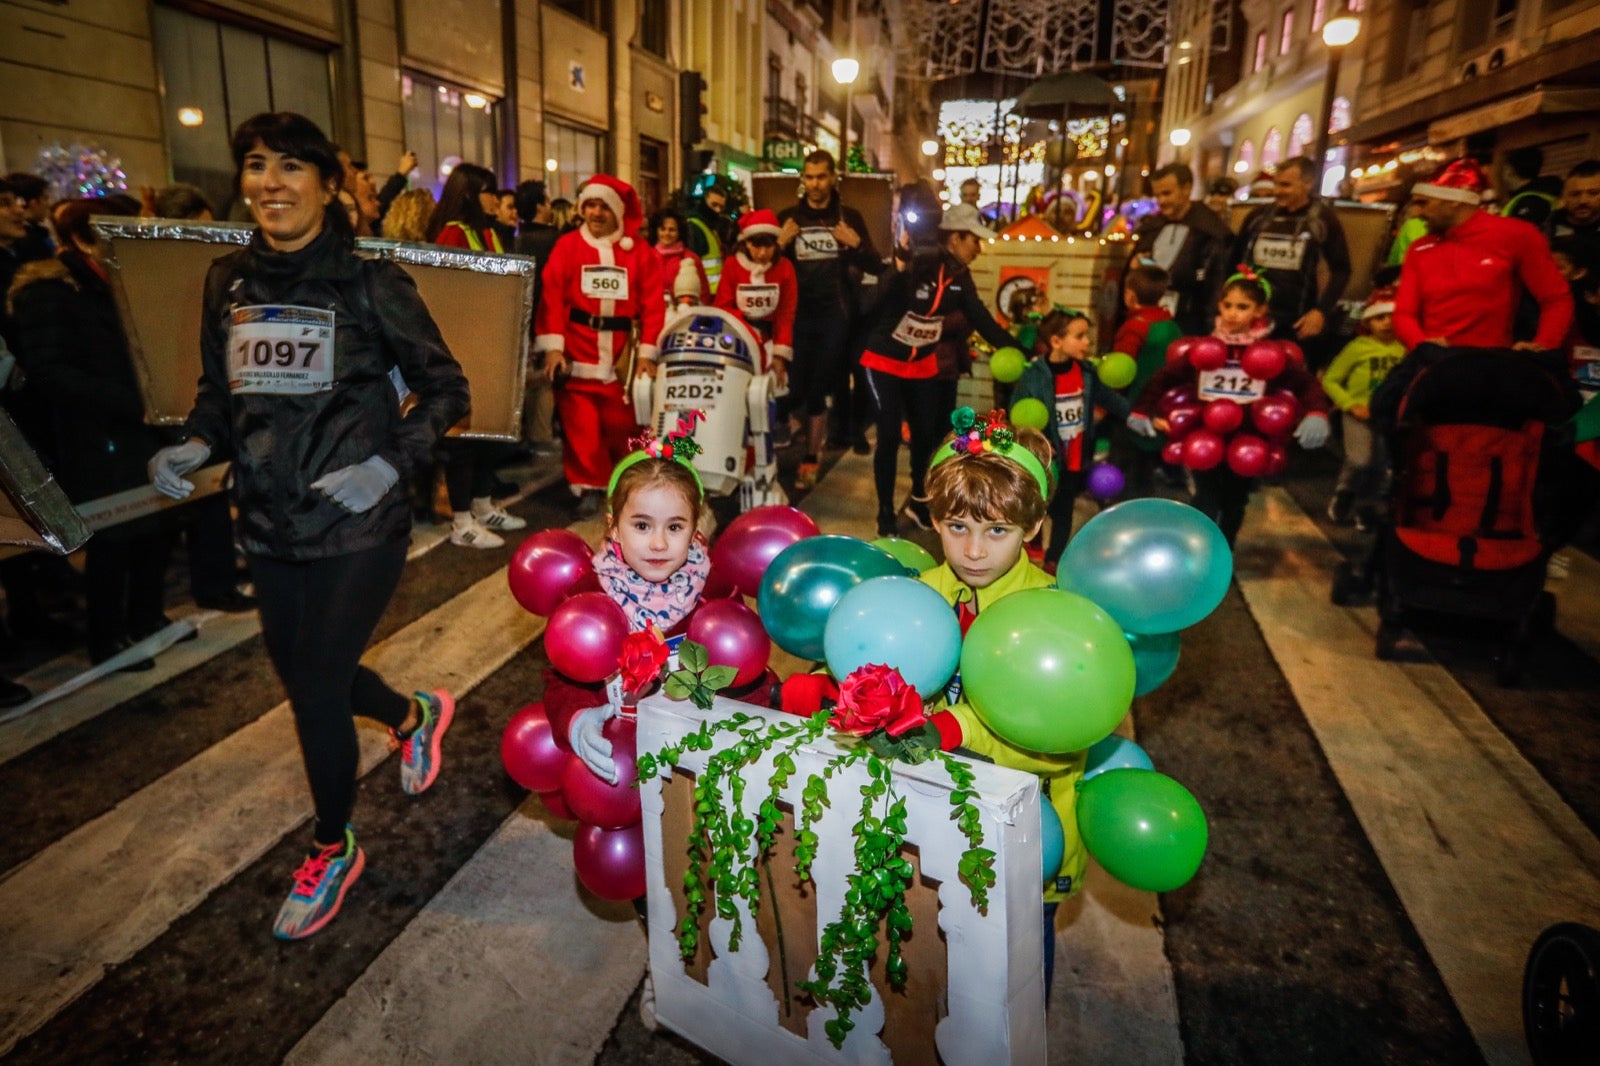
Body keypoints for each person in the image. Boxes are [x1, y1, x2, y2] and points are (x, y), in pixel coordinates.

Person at [145, 112, 470, 940]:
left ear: (330, 185)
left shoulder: (371, 283)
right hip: (266, 520)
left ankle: (333, 846)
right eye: (256, 166)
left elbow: (446, 391)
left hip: (359, 522)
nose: (271, 185)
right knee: (309, 680)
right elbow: (220, 394)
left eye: (292, 168)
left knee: (316, 691)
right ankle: (411, 717)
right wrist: (193, 442)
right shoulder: (229, 280)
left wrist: (387, 466)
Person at [917, 415, 1085, 995]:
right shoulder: (918, 594)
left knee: (1019, 965)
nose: (973, 550)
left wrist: (953, 727)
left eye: (997, 531)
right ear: (933, 518)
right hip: (935, 818)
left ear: (1034, 526)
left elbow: (1058, 744)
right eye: (957, 525)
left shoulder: (1054, 613)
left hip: (1027, 829)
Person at [10, 196, 173, 669]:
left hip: (141, 428)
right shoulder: (50, 291)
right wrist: (130, 403)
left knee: (151, 530)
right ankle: (109, 636)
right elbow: (52, 372)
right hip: (94, 433)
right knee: (113, 537)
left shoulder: (121, 283)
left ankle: (148, 618)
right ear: (87, 235)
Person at [1134, 268, 1331, 545]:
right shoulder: (1206, 348)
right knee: (1205, 498)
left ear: (1260, 310)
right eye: (1227, 305)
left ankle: (1225, 550)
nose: (1232, 313)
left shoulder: (1268, 353)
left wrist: (1317, 412)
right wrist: (1143, 408)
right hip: (1206, 437)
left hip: (1249, 440)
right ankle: (1201, 550)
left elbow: (1305, 383)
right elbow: (1165, 377)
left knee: (1234, 502)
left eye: (1243, 307)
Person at [856, 202, 1017, 536]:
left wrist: (1022, 349)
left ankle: (919, 500)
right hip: (883, 359)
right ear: (955, 238)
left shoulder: (962, 277)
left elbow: (981, 318)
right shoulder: (920, 262)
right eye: (975, 240)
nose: (979, 248)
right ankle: (885, 513)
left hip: (921, 364)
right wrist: (898, 269)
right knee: (887, 434)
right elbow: (873, 301)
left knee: (927, 436)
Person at [535, 174, 665, 516]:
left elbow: (654, 306)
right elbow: (551, 299)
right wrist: (553, 347)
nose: (595, 213)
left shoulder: (642, 253)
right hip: (578, 354)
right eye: (590, 205)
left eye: (603, 206)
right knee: (582, 431)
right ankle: (590, 486)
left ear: (618, 211)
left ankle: (628, 485)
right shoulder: (567, 247)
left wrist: (648, 354)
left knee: (626, 428)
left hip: (621, 360)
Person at [425, 163, 526, 546]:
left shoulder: (486, 233)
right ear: (471, 193)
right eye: (489, 191)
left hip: (490, 347)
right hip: (466, 349)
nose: (496, 200)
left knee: (490, 433)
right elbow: (451, 294)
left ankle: (483, 506)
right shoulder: (454, 233)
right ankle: (462, 521)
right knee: (464, 440)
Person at [1012, 310, 1153, 566]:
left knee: (1064, 508)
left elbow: (1107, 397)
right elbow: (1022, 411)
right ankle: (1033, 544)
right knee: (1040, 503)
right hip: (1046, 458)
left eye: (1086, 336)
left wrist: (1131, 415)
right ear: (1056, 341)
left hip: (1075, 455)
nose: (1088, 342)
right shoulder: (1034, 376)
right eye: (1080, 336)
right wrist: (1037, 442)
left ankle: (1053, 559)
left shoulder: (1086, 372)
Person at [1394, 157, 1572, 354]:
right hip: (1430, 368)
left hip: (1489, 369)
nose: (1415, 213)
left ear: (1454, 200)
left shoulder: (1517, 235)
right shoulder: (1420, 248)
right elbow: (1404, 313)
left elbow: (1556, 298)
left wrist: (1543, 346)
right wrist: (1423, 347)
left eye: (1423, 202)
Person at [776, 149, 884, 457]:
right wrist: (780, 245)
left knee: (820, 386)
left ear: (833, 178)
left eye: (821, 177)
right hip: (796, 315)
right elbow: (766, 269)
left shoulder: (849, 218)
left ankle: (814, 454)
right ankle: (797, 428)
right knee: (793, 389)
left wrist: (857, 244)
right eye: (809, 177)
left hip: (835, 316)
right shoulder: (788, 218)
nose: (815, 184)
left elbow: (876, 265)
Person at [1230, 156, 1351, 356]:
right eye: (1276, 184)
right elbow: (1233, 261)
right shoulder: (1258, 217)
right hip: (1251, 318)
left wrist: (1321, 311)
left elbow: (1341, 269)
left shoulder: (1322, 219)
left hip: (1297, 321)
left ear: (1307, 183)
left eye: (1286, 185)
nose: (1278, 191)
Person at [712, 207, 799, 470]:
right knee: (736, 404)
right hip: (738, 343)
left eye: (768, 246)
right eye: (756, 245)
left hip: (770, 344)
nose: (762, 253)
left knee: (765, 403)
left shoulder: (784, 269)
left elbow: (786, 313)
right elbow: (723, 306)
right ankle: (737, 460)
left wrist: (781, 356)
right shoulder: (731, 266)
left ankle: (764, 461)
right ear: (746, 243)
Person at [1323, 287, 1404, 530]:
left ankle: (1366, 507)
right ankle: (1345, 493)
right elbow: (1331, 379)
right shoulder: (1358, 347)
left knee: (1380, 466)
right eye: (1380, 317)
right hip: (1358, 414)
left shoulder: (1405, 348)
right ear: (1368, 321)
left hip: (1389, 416)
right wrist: (1349, 404)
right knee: (1360, 461)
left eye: (1392, 318)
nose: (1387, 324)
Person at [1130, 163, 1234, 335]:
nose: (1161, 201)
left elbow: (1216, 282)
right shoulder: (1152, 226)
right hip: (1151, 315)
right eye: (1157, 195)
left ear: (1186, 189)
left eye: (1167, 193)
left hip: (1190, 319)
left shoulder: (1210, 230)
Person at [1110, 264, 1184, 495]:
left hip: (1133, 408)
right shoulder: (1172, 326)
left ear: (1129, 295)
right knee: (1147, 468)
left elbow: (1118, 372)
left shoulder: (1135, 327)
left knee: (1128, 469)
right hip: (1161, 407)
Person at [511, 180, 562, 460]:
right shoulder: (555, 241)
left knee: (524, 378)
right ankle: (541, 436)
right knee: (543, 380)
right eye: (548, 201)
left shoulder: (516, 240)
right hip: (546, 318)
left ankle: (521, 436)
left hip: (521, 319)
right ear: (541, 205)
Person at [683, 176, 739, 292]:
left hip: (713, 291)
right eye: (714, 205)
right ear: (704, 201)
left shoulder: (710, 226)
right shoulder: (694, 226)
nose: (718, 210)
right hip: (704, 291)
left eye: (721, 207)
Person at [646, 208, 709, 307]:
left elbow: (703, 293)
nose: (667, 233)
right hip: (652, 314)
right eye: (663, 229)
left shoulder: (691, 259)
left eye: (672, 230)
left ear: (680, 232)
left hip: (683, 315)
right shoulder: (647, 256)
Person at [1499, 147, 1561, 229]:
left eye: (1503, 170)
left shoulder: (1530, 201)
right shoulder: (1542, 192)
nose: (1502, 176)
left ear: (1510, 171)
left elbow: (1519, 235)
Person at [4, 172, 54, 260]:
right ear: (33, 203)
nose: (48, 204)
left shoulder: (37, 233)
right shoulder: (29, 241)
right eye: (45, 199)